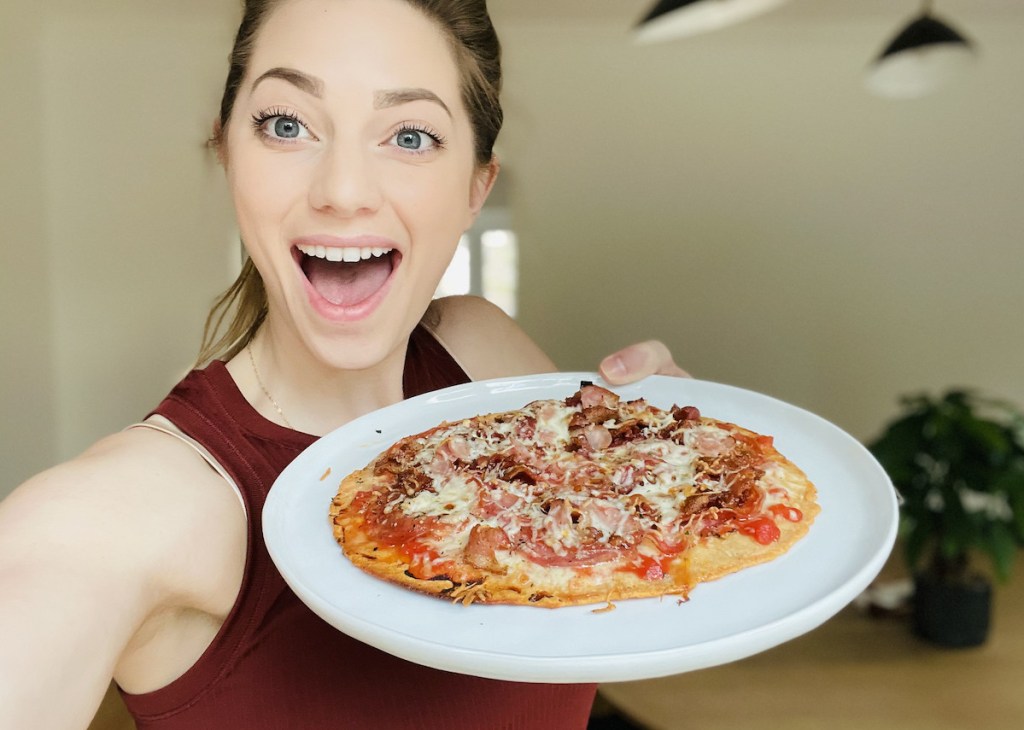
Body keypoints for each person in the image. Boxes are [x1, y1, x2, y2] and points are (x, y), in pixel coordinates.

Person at [0, 0, 687, 728]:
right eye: (287, 125)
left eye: (411, 135)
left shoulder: (482, 355)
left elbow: (625, 594)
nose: (344, 192)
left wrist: (676, 468)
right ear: (227, 150)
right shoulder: (116, 516)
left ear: (474, 191)